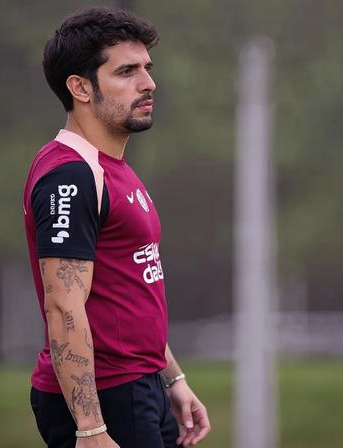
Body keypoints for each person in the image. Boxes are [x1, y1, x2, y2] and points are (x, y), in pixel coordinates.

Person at [22, 7, 210, 448]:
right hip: (107, 397)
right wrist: (90, 428)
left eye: (147, 68)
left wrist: (172, 378)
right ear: (81, 88)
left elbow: (129, 289)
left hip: (142, 385)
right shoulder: (70, 176)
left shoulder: (112, 167)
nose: (148, 83)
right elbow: (63, 308)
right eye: (126, 71)